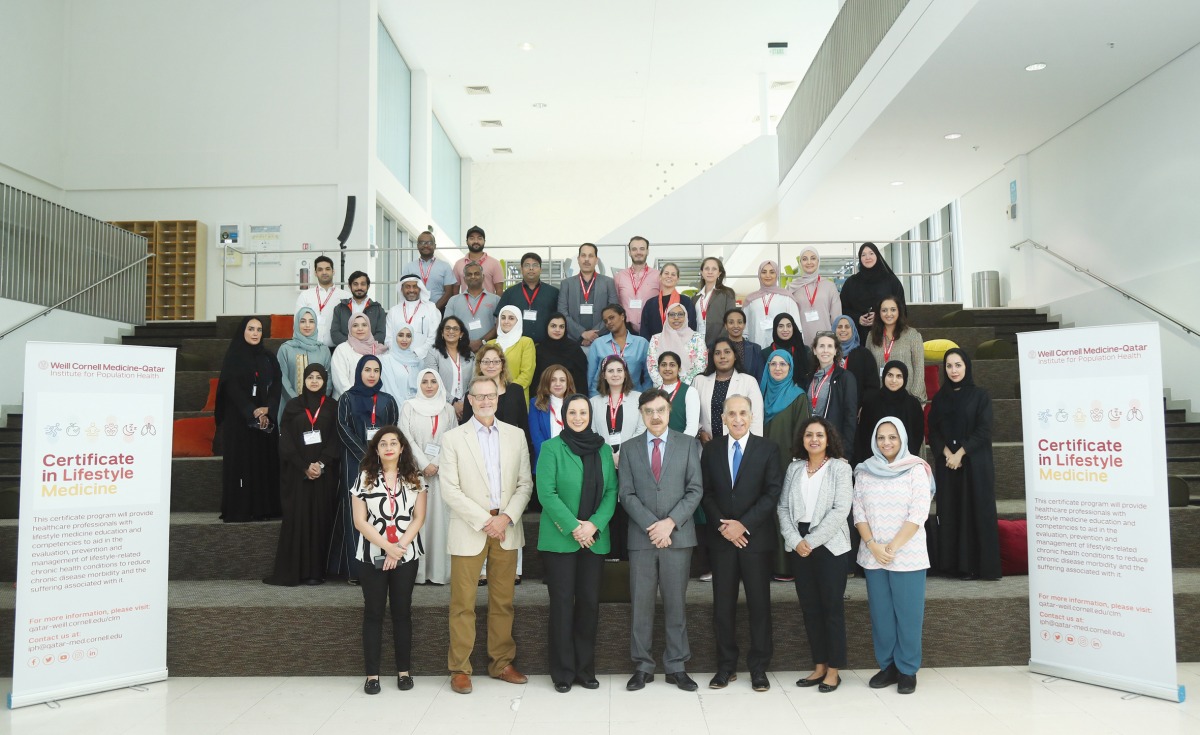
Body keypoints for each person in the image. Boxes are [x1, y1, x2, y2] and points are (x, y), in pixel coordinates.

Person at [440, 375, 534, 694]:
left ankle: (501, 663)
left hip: (506, 526)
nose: (484, 401)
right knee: (462, 602)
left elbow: (525, 484)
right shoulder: (453, 438)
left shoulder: (515, 435)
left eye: (490, 396)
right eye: (478, 397)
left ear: (497, 398)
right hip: (471, 527)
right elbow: (450, 490)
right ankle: (460, 668)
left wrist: (505, 517)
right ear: (469, 399)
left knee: (503, 601)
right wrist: (485, 520)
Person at [620, 389, 704, 692]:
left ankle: (677, 666)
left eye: (661, 410)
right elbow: (626, 493)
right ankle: (642, 666)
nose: (655, 416)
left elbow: (695, 489)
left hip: (678, 537)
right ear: (641, 414)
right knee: (641, 604)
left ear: (669, 412)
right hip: (642, 538)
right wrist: (652, 526)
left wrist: (669, 524)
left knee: (675, 604)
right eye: (649, 411)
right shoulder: (629, 448)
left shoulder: (687, 444)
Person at [700, 394, 783, 692]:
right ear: (722, 417)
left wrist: (743, 525)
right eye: (731, 414)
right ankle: (725, 667)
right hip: (722, 540)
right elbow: (706, 493)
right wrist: (725, 526)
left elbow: (772, 494)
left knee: (759, 605)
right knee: (723, 607)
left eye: (742, 413)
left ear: (751, 416)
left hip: (755, 540)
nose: (737, 419)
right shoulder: (711, 450)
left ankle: (759, 668)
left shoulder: (768, 449)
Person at [536, 394, 618, 692]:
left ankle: (585, 670)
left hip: (594, 539)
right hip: (561, 540)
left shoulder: (604, 450)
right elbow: (547, 494)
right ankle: (563, 672)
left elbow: (611, 492)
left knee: (588, 605)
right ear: (564, 415)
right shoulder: (551, 448)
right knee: (561, 606)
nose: (579, 417)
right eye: (573, 412)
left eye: (583, 412)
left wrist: (593, 525)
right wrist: (575, 527)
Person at [853, 417, 934, 694]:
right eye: (881, 438)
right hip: (873, 553)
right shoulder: (864, 471)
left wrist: (892, 547)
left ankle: (908, 670)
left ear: (902, 440)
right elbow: (859, 512)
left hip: (907, 555)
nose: (886, 443)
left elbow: (918, 513)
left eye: (892, 437)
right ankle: (887, 666)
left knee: (909, 615)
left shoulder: (915, 470)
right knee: (882, 615)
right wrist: (874, 546)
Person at [778, 416, 854, 692]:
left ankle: (834, 670)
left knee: (831, 608)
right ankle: (819, 665)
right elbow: (783, 508)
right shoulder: (794, 468)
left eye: (819, 435)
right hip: (800, 544)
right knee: (810, 608)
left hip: (830, 545)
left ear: (828, 438)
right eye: (809, 434)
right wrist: (795, 539)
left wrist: (810, 540)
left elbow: (840, 510)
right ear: (802, 439)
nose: (814, 439)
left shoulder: (840, 469)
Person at [350, 426, 426, 694]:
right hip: (371, 556)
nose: (389, 447)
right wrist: (387, 548)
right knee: (373, 613)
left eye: (394, 442)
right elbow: (360, 521)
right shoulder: (364, 477)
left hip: (406, 555)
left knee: (402, 613)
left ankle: (404, 672)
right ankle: (372, 676)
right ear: (377, 449)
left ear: (402, 448)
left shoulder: (414, 478)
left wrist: (400, 547)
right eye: (383, 443)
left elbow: (419, 517)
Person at [264, 364, 341, 586]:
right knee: (299, 520)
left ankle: (315, 572)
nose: (314, 381)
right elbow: (285, 440)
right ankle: (296, 571)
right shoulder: (292, 406)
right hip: (298, 475)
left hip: (324, 475)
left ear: (325, 381)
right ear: (304, 380)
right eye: (310, 377)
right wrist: (304, 465)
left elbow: (336, 439)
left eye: (319, 377)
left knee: (319, 520)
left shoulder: (333, 407)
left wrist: (320, 463)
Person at [928, 348, 1001, 581]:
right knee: (952, 512)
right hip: (949, 465)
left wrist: (961, 452)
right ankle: (954, 566)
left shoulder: (981, 395)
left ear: (966, 366)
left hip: (974, 465)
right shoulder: (940, 398)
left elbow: (984, 430)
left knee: (974, 511)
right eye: (949, 366)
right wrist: (948, 453)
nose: (953, 370)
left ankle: (977, 566)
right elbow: (934, 431)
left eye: (958, 365)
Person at [330, 355, 399, 583]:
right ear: (359, 371)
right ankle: (356, 570)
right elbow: (342, 428)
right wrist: (366, 456)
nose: (371, 374)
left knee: (381, 511)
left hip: (384, 464)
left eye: (376, 370)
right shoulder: (347, 399)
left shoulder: (388, 401)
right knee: (355, 515)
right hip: (354, 463)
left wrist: (381, 457)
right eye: (367, 369)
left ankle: (379, 563)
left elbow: (392, 432)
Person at [216, 316, 282, 523]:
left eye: (259, 330)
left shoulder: (269, 357)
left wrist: (268, 409)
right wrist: (251, 410)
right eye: (251, 329)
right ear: (242, 331)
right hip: (240, 421)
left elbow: (277, 385)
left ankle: (264, 508)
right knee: (243, 464)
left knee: (264, 463)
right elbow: (231, 387)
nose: (255, 333)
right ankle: (241, 509)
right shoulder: (234, 357)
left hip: (265, 420)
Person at [398, 368, 457, 585]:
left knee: (440, 522)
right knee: (417, 522)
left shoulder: (448, 409)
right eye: (425, 381)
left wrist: (437, 463)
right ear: (418, 384)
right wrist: (424, 464)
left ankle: (439, 572)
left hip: (441, 474)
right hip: (415, 473)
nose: (429, 385)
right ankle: (419, 573)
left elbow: (453, 438)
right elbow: (405, 438)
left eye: (433, 381)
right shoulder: (409, 407)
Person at [693, 338, 764, 445]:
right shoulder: (699, 381)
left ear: (735, 356)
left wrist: (753, 447)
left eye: (727, 352)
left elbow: (756, 418)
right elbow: (690, 413)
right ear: (712, 357)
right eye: (717, 353)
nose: (722, 356)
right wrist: (700, 432)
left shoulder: (749, 381)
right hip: (706, 446)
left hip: (740, 446)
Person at [855, 360, 924, 466]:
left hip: (905, 463)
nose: (894, 380)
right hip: (875, 462)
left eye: (899, 376)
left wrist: (905, 460)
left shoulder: (913, 404)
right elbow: (864, 434)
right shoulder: (871, 402)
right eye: (890, 375)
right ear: (884, 376)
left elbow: (917, 435)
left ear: (905, 379)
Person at [838, 243, 906, 344]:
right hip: (857, 335)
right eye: (863, 255)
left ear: (877, 256)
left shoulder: (891, 281)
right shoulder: (851, 282)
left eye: (871, 253)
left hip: (886, 335)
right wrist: (858, 318)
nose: (867, 257)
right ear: (860, 258)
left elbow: (901, 307)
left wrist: (880, 316)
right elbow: (842, 309)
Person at [867, 296, 927, 403]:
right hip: (880, 397)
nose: (888, 314)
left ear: (899, 311)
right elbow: (868, 369)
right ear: (879, 313)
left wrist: (916, 398)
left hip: (907, 396)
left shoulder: (912, 335)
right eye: (884, 310)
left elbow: (919, 368)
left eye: (893, 310)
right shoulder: (871, 336)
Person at [491, 252, 560, 344]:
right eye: (527, 265)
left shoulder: (554, 292)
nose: (531, 268)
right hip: (516, 346)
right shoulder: (510, 293)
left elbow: (560, 319)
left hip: (547, 346)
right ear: (522, 269)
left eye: (535, 265)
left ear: (541, 269)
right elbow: (499, 320)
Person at [557, 243, 618, 347]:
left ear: (596, 260)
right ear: (578, 259)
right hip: (573, 342)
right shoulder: (566, 283)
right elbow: (562, 312)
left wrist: (594, 335)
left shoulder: (608, 282)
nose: (586, 259)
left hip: (602, 341)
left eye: (590, 256)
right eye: (583, 255)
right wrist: (582, 333)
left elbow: (613, 312)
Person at [462, 344, 530, 436]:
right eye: (486, 362)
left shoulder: (516, 391)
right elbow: (466, 428)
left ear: (502, 365)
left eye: (496, 361)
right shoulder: (471, 394)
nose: (491, 365)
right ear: (480, 365)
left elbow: (523, 425)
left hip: (510, 445)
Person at [590, 355, 646, 467]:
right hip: (603, 459)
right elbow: (592, 431)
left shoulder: (638, 398)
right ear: (604, 375)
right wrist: (608, 454)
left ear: (625, 374)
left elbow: (641, 429)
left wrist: (623, 454)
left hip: (633, 458)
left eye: (619, 370)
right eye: (610, 371)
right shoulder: (593, 402)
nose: (615, 374)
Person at [275, 306, 331, 416]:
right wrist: (297, 402)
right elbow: (282, 379)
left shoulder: (323, 350)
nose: (307, 325)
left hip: (318, 409)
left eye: (311, 321)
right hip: (291, 406)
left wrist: (319, 401)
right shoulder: (286, 349)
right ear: (296, 324)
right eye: (303, 321)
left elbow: (328, 377)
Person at [586, 304, 651, 396]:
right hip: (604, 397)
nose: (608, 322)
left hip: (633, 397)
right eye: (605, 321)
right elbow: (591, 376)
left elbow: (648, 376)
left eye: (611, 318)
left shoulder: (641, 343)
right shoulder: (598, 344)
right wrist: (593, 398)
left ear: (622, 316)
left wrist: (643, 396)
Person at [808, 332, 858, 451]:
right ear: (815, 350)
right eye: (821, 346)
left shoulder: (845, 377)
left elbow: (850, 416)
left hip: (833, 444)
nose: (825, 350)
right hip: (812, 441)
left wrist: (845, 451)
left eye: (830, 346)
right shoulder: (809, 377)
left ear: (836, 351)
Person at [423, 316, 474, 423]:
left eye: (455, 329)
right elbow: (433, 382)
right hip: (441, 406)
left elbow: (474, 382)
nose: (451, 331)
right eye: (447, 328)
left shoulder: (470, 355)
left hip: (466, 408)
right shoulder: (433, 353)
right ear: (442, 333)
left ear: (461, 334)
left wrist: (463, 405)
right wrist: (453, 402)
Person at [787, 246, 841, 345]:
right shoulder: (793, 288)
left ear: (818, 261)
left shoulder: (829, 286)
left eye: (813, 258)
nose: (809, 262)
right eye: (804, 259)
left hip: (826, 341)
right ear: (800, 263)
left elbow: (836, 317)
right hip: (801, 342)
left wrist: (835, 341)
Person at [744, 260, 801, 351]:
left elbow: (798, 328)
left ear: (777, 274)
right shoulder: (751, 300)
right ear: (759, 274)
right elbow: (745, 330)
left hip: (782, 351)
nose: (768, 275)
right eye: (764, 272)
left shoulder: (787, 298)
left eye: (772, 272)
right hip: (756, 350)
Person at [444, 261, 500, 352]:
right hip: (460, 350)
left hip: (488, 350)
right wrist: (465, 342)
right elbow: (447, 326)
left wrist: (482, 341)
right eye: (469, 274)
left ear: (483, 277)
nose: (473, 276)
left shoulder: (496, 300)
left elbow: (499, 326)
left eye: (476, 274)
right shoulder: (453, 301)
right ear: (465, 279)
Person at [647, 301, 707, 387]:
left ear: (686, 316)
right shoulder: (656, 339)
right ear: (667, 317)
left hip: (689, 388)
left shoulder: (697, 338)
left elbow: (700, 366)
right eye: (672, 314)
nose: (676, 318)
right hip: (662, 389)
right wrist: (666, 385)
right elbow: (652, 366)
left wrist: (681, 387)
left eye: (680, 314)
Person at [295, 255, 349, 347]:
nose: (324, 272)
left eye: (327, 269)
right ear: (315, 273)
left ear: (333, 271)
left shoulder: (345, 296)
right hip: (310, 347)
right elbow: (297, 323)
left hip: (337, 349)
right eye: (320, 270)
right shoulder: (305, 295)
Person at [529, 365, 575, 468]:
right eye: (553, 380)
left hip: (572, 460)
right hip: (545, 461)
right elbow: (536, 435)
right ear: (546, 382)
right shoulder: (535, 403)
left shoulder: (576, 403)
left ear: (568, 383)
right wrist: (549, 457)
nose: (558, 384)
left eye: (562, 380)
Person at [330, 314, 388, 398]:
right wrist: (355, 400)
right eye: (355, 325)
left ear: (369, 327)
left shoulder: (377, 350)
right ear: (349, 328)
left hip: (372, 404)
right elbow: (340, 382)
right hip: (348, 402)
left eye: (364, 325)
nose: (360, 329)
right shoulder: (342, 349)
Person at [532, 313, 589, 398]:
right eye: (553, 326)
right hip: (544, 400)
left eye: (561, 327)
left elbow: (581, 381)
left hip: (570, 399)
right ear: (547, 327)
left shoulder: (574, 349)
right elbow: (535, 380)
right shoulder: (539, 350)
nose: (557, 330)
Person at [386, 273, 441, 360]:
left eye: (415, 286)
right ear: (401, 289)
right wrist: (400, 354)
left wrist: (417, 353)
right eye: (407, 286)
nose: (411, 290)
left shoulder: (431, 309)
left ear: (420, 288)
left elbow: (433, 338)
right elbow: (389, 338)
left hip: (423, 359)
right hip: (397, 359)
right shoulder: (393, 311)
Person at [638, 262, 697, 339]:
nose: (669, 276)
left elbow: (691, 326)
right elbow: (644, 330)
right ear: (660, 277)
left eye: (673, 274)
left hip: (680, 346)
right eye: (666, 273)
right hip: (656, 347)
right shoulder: (650, 304)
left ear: (677, 279)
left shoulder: (686, 302)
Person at [489, 305, 536, 401]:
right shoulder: (490, 344)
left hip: (516, 397)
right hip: (491, 397)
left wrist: (505, 391)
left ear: (518, 321)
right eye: (503, 318)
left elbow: (526, 375)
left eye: (511, 318)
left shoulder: (526, 342)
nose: (506, 321)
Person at [613, 235, 659, 333]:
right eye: (634, 249)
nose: (638, 252)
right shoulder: (619, 277)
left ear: (647, 251)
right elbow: (615, 304)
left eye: (642, 249)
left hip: (652, 330)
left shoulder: (658, 276)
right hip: (626, 331)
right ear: (629, 252)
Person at [403, 230, 458, 311]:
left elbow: (449, 293)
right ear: (417, 246)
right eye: (422, 243)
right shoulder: (409, 267)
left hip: (439, 310)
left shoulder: (445, 266)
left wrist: (433, 310)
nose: (425, 246)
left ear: (435, 246)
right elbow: (404, 290)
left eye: (429, 243)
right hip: (414, 311)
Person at [330, 270, 387, 346]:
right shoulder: (340, 308)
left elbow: (381, 334)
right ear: (350, 286)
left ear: (368, 286)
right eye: (355, 284)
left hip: (370, 352)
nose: (359, 287)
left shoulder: (378, 309)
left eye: (363, 284)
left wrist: (365, 346)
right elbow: (335, 333)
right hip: (346, 352)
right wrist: (352, 345)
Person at [833, 314, 880, 404]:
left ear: (853, 330)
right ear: (834, 329)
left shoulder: (864, 354)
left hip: (857, 408)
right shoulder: (828, 353)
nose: (843, 330)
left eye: (847, 327)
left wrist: (864, 406)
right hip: (832, 408)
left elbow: (872, 385)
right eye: (839, 327)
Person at [693, 256, 737, 347]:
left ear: (719, 273)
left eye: (714, 269)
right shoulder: (695, 298)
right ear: (701, 272)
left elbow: (730, 320)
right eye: (706, 269)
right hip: (697, 345)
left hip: (718, 345)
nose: (710, 272)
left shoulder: (727, 294)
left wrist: (718, 344)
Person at [451, 225, 505, 295]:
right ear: (467, 242)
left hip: (489, 305)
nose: (476, 241)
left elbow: (499, 291)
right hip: (465, 305)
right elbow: (455, 291)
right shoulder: (458, 264)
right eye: (472, 238)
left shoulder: (495, 263)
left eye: (479, 238)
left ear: (484, 241)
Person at [656, 351, 700, 435]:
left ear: (679, 369)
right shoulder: (655, 393)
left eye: (672, 365)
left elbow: (692, 427)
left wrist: (680, 446)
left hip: (682, 444)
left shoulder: (689, 392)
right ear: (658, 368)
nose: (667, 368)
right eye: (663, 365)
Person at [379, 323, 421, 402]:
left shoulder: (417, 361)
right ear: (395, 336)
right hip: (396, 408)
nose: (404, 339)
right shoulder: (386, 360)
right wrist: (404, 408)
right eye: (401, 335)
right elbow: (389, 389)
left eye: (408, 336)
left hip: (416, 409)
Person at [769, 313, 813, 387]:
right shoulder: (765, 353)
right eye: (780, 326)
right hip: (774, 393)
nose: (785, 330)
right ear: (775, 328)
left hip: (801, 393)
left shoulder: (804, 350)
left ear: (793, 328)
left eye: (789, 326)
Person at [723, 308, 765, 380]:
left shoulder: (756, 349)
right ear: (726, 326)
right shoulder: (717, 348)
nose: (736, 326)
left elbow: (760, 376)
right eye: (731, 322)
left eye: (739, 322)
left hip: (749, 389)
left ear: (744, 325)